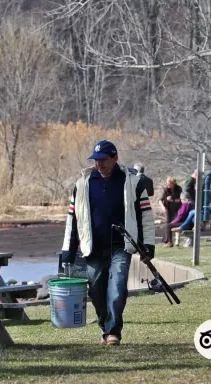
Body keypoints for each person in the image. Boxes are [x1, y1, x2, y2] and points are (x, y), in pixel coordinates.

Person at [60, 140, 155, 347]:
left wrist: (148, 246)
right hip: (92, 247)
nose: (99, 164)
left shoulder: (133, 183)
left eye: (103, 160)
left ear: (115, 158)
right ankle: (105, 326)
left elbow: (145, 217)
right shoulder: (82, 184)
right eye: (96, 160)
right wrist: (67, 251)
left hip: (121, 246)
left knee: (117, 288)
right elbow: (72, 220)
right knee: (95, 290)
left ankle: (113, 333)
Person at [160, 177, 183, 246]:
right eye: (167, 184)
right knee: (167, 224)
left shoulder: (178, 189)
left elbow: (181, 200)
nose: (168, 185)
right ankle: (168, 242)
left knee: (176, 223)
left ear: (173, 183)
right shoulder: (166, 189)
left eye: (170, 184)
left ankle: (176, 241)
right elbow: (160, 200)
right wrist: (163, 207)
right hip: (168, 209)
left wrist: (172, 200)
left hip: (177, 209)